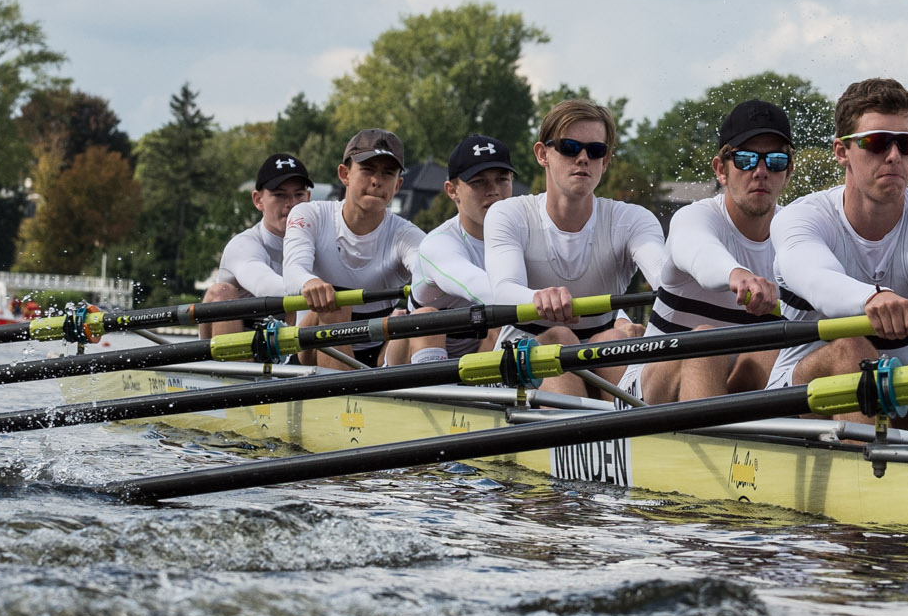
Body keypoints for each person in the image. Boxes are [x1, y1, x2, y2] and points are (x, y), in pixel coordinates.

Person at [769, 77, 908, 433]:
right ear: (842, 151)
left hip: (900, 400)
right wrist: (872, 298)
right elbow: (816, 278)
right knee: (851, 349)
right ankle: (865, 478)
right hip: (799, 403)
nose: (893, 156)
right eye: (875, 143)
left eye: (905, 144)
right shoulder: (802, 218)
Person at [482, 99, 673, 401]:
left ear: (605, 160)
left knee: (615, 339)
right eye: (570, 147)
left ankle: (631, 435)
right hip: (520, 351)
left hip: (600, 344)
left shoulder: (631, 220)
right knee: (559, 337)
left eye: (595, 151)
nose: (583, 158)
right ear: (542, 154)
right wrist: (537, 298)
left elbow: (667, 281)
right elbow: (503, 289)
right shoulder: (509, 214)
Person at [638, 100, 794, 405]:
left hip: (731, 387)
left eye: (775, 161)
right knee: (705, 343)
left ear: (787, 174)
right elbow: (702, 253)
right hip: (647, 392)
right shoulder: (695, 217)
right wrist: (739, 276)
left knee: (780, 352)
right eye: (746, 159)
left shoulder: (796, 232)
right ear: (721, 170)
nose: (761, 171)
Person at [281, 129, 431, 371]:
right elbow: (292, 272)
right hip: (311, 348)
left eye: (387, 173)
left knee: (412, 317)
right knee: (335, 308)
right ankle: (342, 400)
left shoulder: (407, 235)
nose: (377, 180)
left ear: (397, 185)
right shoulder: (311, 214)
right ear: (345, 174)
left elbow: (433, 275)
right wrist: (309, 282)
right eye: (368, 169)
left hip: (378, 349)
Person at [395, 134, 515, 364]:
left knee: (546, 332)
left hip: (480, 354)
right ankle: (437, 395)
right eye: (478, 181)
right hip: (413, 355)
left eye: (502, 179)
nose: (493, 191)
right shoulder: (438, 244)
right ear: (452, 190)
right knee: (428, 320)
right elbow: (479, 287)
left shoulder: (524, 235)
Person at [198, 153, 313, 338]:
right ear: (258, 200)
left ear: (308, 197)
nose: (291, 204)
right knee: (221, 292)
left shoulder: (322, 240)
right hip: (241, 344)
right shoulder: (243, 245)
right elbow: (263, 285)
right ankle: (235, 367)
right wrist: (315, 287)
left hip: (291, 342)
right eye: (279, 195)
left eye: (298, 195)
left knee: (314, 302)